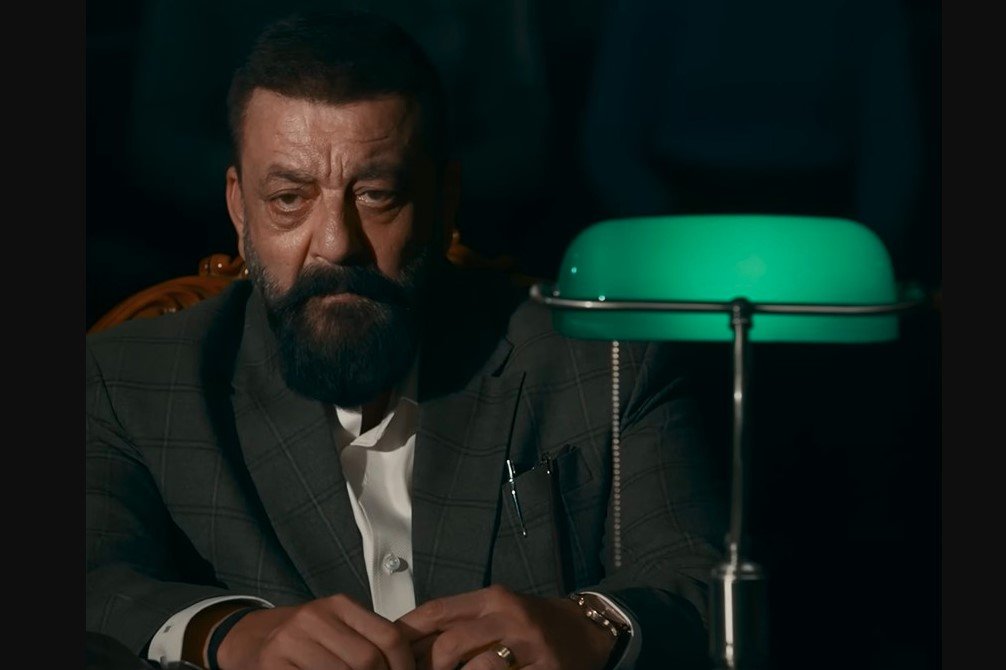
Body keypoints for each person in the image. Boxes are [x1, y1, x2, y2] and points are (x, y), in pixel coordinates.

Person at [86, 10, 725, 670]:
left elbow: (703, 583)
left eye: (377, 195)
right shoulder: (127, 382)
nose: (336, 244)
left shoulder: (604, 362)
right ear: (239, 208)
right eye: (288, 199)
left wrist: (590, 625)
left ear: (445, 202)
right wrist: (227, 635)